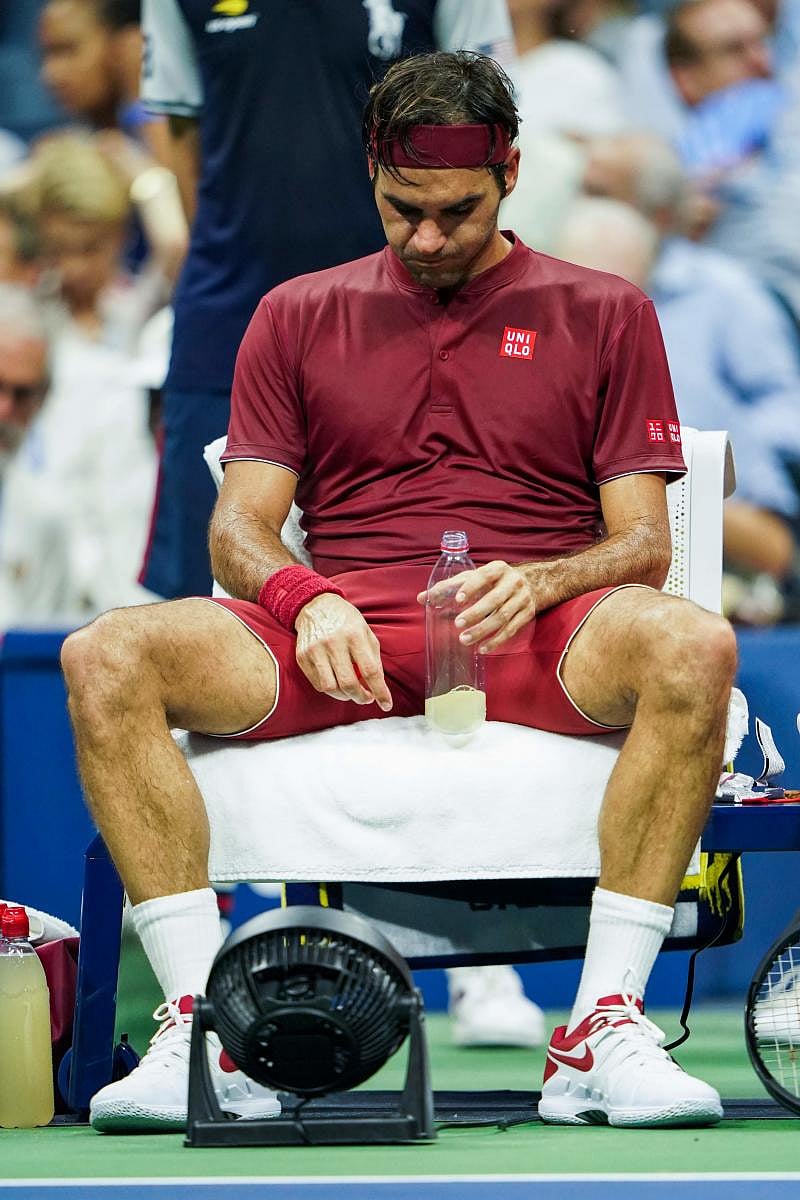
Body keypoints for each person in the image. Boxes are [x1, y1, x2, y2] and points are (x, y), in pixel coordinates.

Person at [62, 51, 735, 1133]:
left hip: (535, 624)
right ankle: (205, 1034)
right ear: (369, 175)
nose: (425, 238)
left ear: (510, 171)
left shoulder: (605, 310)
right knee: (105, 653)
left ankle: (597, 1026)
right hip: (348, 631)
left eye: (455, 212)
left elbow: (641, 545)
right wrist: (302, 597)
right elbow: (237, 526)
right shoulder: (293, 313)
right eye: (400, 210)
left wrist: (544, 578)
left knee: (691, 646)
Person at [138, 0, 514, 602]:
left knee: (426, 583)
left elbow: (485, 127)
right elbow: (181, 126)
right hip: (229, 311)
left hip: (405, 315)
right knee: (201, 589)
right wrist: (231, 244)